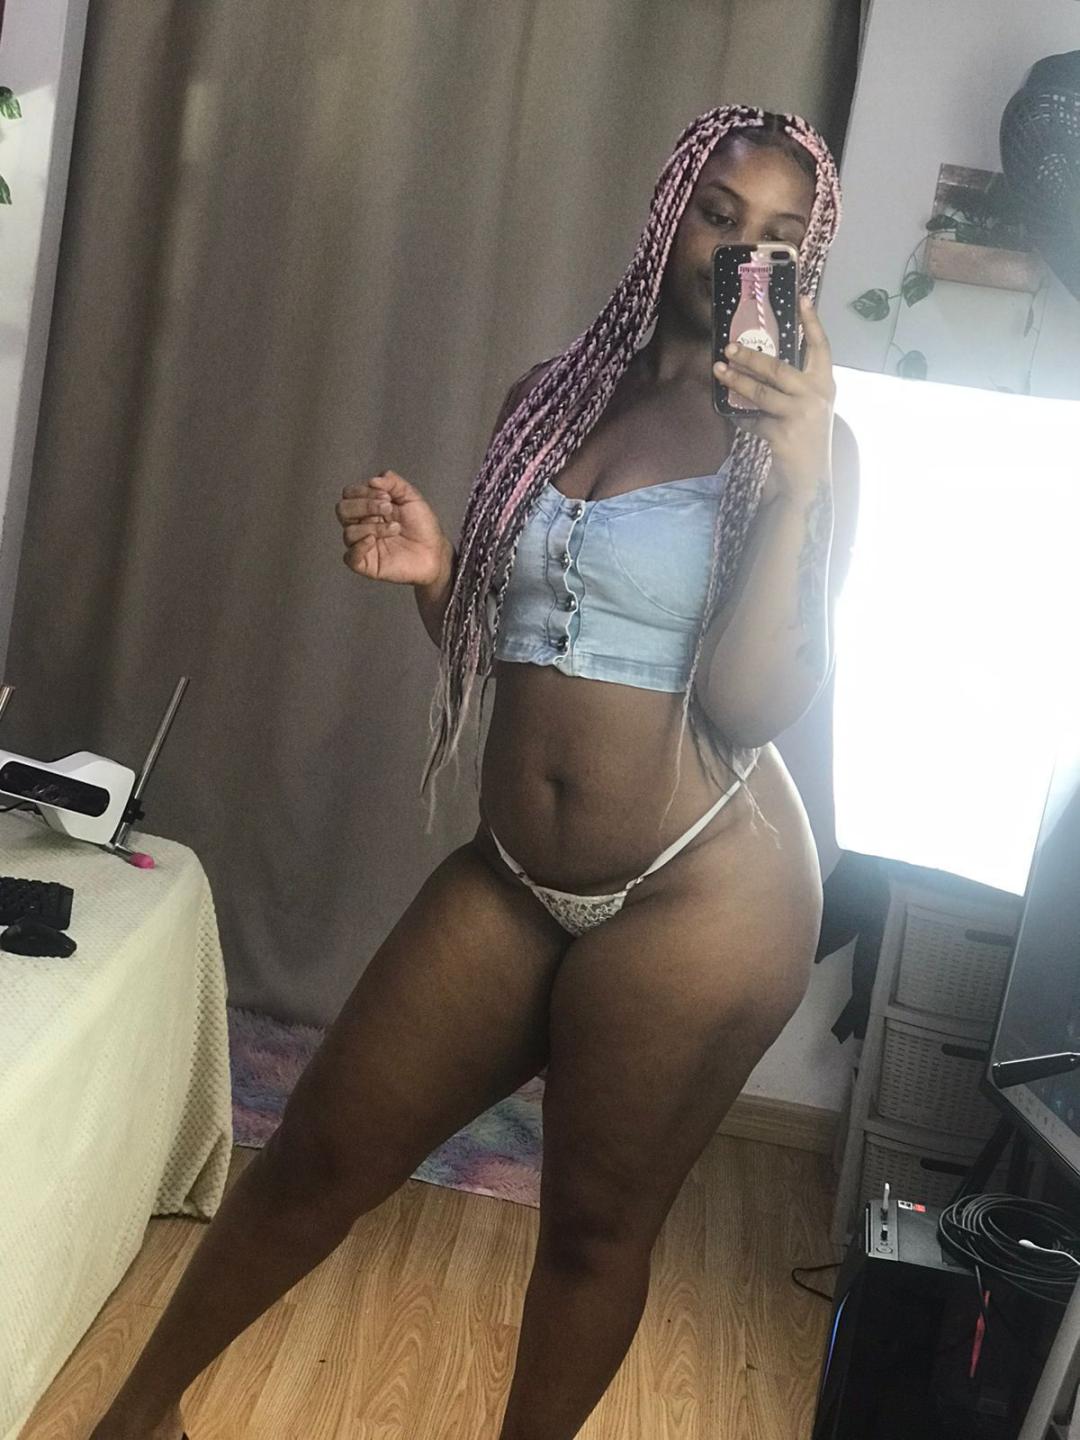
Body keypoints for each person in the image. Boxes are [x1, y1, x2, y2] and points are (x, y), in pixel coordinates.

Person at [91, 104, 859, 1440]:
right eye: (719, 214)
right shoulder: (553, 397)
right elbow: (527, 652)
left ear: (808, 263)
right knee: (321, 1152)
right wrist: (437, 575)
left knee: (592, 1233)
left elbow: (747, 707)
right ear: (668, 211)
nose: (744, 252)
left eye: (781, 238)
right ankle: (136, 1421)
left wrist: (798, 488)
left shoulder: (801, 448)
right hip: (515, 875)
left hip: (702, 899)